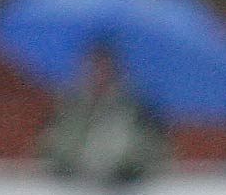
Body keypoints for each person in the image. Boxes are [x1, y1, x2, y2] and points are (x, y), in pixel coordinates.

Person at [38, 43, 169, 186]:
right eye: (93, 67)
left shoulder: (136, 107)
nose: (98, 73)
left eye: (103, 68)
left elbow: (148, 150)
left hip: (125, 186)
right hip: (72, 186)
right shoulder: (71, 105)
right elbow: (52, 145)